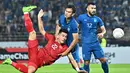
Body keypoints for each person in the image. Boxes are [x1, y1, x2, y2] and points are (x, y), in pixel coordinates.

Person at [3, 6, 87, 73]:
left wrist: (78, 69)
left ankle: (10, 62)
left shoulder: (65, 48)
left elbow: (72, 59)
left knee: (29, 71)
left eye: (65, 37)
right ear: (58, 36)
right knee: (32, 33)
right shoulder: (52, 38)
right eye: (63, 36)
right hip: (35, 52)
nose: (64, 38)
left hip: (38, 62)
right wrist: (39, 18)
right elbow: (42, 30)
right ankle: (25, 12)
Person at [77, 3, 109, 73]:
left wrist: (102, 33)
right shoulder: (81, 17)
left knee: (103, 60)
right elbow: (76, 27)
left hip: (95, 43)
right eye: (92, 8)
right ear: (87, 9)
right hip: (86, 44)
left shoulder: (97, 19)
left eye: (95, 8)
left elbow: (104, 30)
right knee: (86, 62)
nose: (94, 10)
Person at [55, 4, 83, 70]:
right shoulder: (62, 17)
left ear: (73, 14)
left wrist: (67, 51)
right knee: (74, 65)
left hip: (72, 46)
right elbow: (58, 25)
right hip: (65, 45)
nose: (66, 13)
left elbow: (75, 40)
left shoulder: (73, 24)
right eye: (66, 11)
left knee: (77, 65)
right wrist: (56, 35)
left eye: (69, 12)